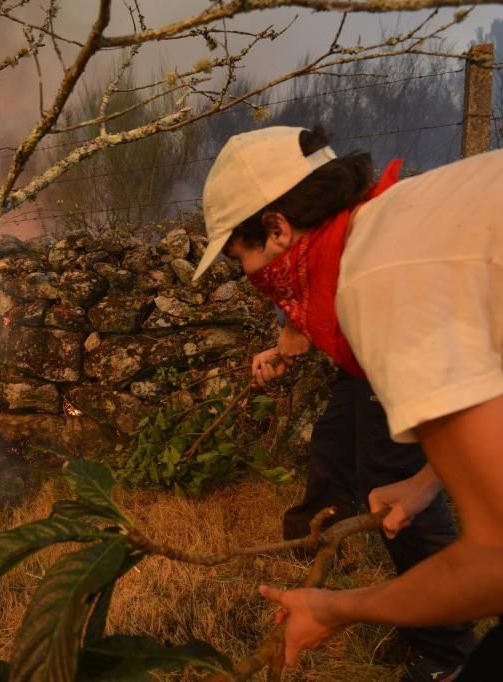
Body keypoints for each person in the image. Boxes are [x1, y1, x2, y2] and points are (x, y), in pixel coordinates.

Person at [193, 126, 502, 678]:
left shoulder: (379, 278)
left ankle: (441, 658)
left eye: (240, 256)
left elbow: (497, 559)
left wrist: (335, 608)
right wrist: (426, 481)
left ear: (278, 228)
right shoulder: (399, 224)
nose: (245, 275)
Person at [253, 317, 474, 680]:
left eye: (249, 255)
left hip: (399, 345)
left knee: (391, 476)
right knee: (336, 439)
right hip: (369, 346)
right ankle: (315, 537)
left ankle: (447, 652)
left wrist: (296, 324)